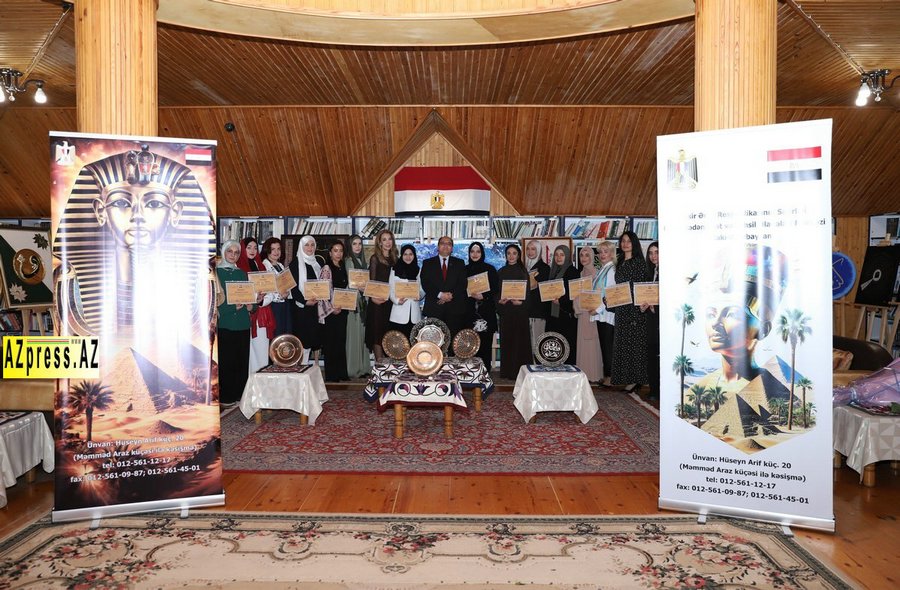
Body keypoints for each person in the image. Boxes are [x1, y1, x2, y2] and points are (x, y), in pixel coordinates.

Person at [217, 240, 257, 406]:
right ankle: (226, 396)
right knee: (227, 362)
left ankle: (241, 395)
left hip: (242, 324)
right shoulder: (216, 273)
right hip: (225, 323)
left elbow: (251, 300)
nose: (233, 255)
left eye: (236, 252)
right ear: (224, 252)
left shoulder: (242, 273)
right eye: (230, 251)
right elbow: (213, 301)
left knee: (242, 361)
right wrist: (232, 307)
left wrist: (251, 305)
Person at [610, 231, 648, 392]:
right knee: (623, 344)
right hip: (621, 309)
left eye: (629, 241)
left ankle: (637, 379)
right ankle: (625, 378)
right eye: (623, 241)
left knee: (635, 345)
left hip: (634, 309)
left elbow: (639, 287)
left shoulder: (639, 262)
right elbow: (618, 287)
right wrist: (611, 298)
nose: (625, 244)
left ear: (634, 244)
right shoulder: (620, 262)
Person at [420, 236, 468, 349]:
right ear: (438, 246)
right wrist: (440, 295)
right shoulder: (428, 263)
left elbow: (462, 284)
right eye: (442, 243)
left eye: (449, 244)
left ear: (452, 248)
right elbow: (425, 283)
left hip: (454, 309)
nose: (445, 246)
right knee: (435, 342)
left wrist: (450, 295)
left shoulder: (459, 263)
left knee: (453, 342)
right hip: (434, 308)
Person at [237, 237, 275, 374]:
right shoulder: (238, 268)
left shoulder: (261, 266)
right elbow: (239, 292)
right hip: (245, 315)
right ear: (243, 249)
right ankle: (250, 381)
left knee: (262, 349)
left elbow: (271, 291)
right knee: (248, 352)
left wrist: (261, 300)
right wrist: (254, 298)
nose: (253, 250)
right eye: (249, 247)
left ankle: (261, 380)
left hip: (262, 314)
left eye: (255, 247)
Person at [497, 243, 532, 379]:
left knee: (520, 343)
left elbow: (528, 295)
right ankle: (507, 372)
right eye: (508, 253)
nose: (511, 256)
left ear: (518, 256)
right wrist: (499, 301)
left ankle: (519, 373)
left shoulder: (523, 272)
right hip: (506, 312)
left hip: (520, 313)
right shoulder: (501, 272)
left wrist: (521, 303)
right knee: (507, 342)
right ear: (505, 256)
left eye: (514, 253)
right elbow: (496, 293)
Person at [318, 240, 349, 382]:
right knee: (331, 343)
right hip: (331, 312)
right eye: (335, 251)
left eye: (341, 251)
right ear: (330, 253)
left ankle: (341, 373)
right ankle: (332, 375)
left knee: (340, 342)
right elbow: (324, 291)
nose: (338, 253)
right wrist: (332, 308)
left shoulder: (342, 266)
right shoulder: (326, 268)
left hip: (342, 309)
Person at [289, 235, 323, 364]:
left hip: (314, 308)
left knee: (311, 339)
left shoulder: (317, 263)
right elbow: (293, 287)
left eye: (312, 245)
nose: (310, 248)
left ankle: (305, 367)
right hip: (301, 308)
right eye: (307, 245)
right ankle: (301, 367)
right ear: (301, 247)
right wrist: (305, 301)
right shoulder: (295, 264)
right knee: (302, 340)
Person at [465, 242, 499, 370]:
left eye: (478, 251)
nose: (475, 254)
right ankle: (471, 372)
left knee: (485, 344)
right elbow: (460, 289)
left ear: (482, 253)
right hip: (469, 313)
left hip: (486, 313)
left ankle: (485, 372)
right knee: (470, 344)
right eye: (472, 251)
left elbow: (495, 288)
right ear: (469, 253)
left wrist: (483, 296)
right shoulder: (464, 270)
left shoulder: (490, 269)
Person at [544, 244, 579, 365]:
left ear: (568, 256)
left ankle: (567, 370)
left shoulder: (572, 272)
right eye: (556, 255)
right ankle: (554, 369)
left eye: (562, 255)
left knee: (566, 345)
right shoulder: (553, 271)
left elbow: (574, 293)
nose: (559, 258)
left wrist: (561, 300)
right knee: (554, 345)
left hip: (565, 316)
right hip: (554, 315)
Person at [365, 229, 396, 362]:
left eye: (390, 239)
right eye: (384, 239)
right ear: (379, 242)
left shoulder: (395, 259)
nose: (387, 242)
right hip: (377, 302)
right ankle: (379, 364)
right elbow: (371, 281)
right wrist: (373, 298)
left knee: (388, 332)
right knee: (377, 332)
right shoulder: (375, 258)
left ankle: (388, 365)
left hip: (390, 302)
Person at [343, 234, 371, 378]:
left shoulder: (363, 261)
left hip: (363, 303)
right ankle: (353, 369)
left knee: (362, 336)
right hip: (353, 304)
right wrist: (359, 288)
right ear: (350, 245)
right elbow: (350, 283)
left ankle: (364, 368)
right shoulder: (349, 261)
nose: (358, 246)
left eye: (360, 243)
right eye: (354, 244)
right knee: (354, 337)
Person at [575, 245, 603, 382]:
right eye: (581, 255)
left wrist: (593, 307)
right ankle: (583, 374)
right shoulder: (581, 274)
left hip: (592, 313)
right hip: (582, 313)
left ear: (592, 257)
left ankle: (593, 375)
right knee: (583, 341)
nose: (584, 258)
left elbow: (600, 294)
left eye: (587, 255)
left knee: (591, 341)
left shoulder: (597, 273)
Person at [592, 240, 617, 387]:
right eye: (600, 252)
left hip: (607, 314)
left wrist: (597, 309)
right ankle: (607, 374)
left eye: (605, 252)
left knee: (608, 346)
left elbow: (609, 295)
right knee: (604, 345)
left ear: (612, 253)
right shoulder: (603, 269)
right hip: (601, 313)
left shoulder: (612, 270)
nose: (602, 255)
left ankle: (610, 377)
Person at [388, 244, 423, 339]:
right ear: (401, 255)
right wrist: (397, 300)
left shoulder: (418, 270)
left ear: (414, 255)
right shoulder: (394, 269)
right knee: (399, 344)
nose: (408, 257)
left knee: (413, 343)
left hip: (415, 314)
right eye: (405, 254)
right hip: (398, 314)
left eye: (411, 254)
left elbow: (422, 288)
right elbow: (390, 289)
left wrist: (419, 295)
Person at [524, 239, 551, 361]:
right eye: (528, 249)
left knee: (538, 342)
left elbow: (545, 290)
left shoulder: (544, 268)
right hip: (525, 310)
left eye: (533, 249)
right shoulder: (524, 267)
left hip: (538, 311)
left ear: (539, 251)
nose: (530, 252)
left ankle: (539, 367)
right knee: (527, 344)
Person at [261, 237, 292, 337]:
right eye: (273, 249)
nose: (276, 252)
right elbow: (266, 288)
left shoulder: (280, 265)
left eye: (278, 249)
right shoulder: (264, 266)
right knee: (276, 335)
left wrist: (287, 291)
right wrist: (280, 296)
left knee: (284, 334)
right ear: (267, 250)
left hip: (284, 305)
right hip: (273, 306)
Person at [641, 241, 660, 400]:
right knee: (651, 356)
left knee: (660, 356)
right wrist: (643, 307)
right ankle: (654, 390)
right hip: (651, 321)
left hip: (662, 322)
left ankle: (660, 391)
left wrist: (655, 308)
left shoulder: (668, 273)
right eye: (651, 253)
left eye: (657, 252)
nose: (653, 256)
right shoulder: (650, 272)